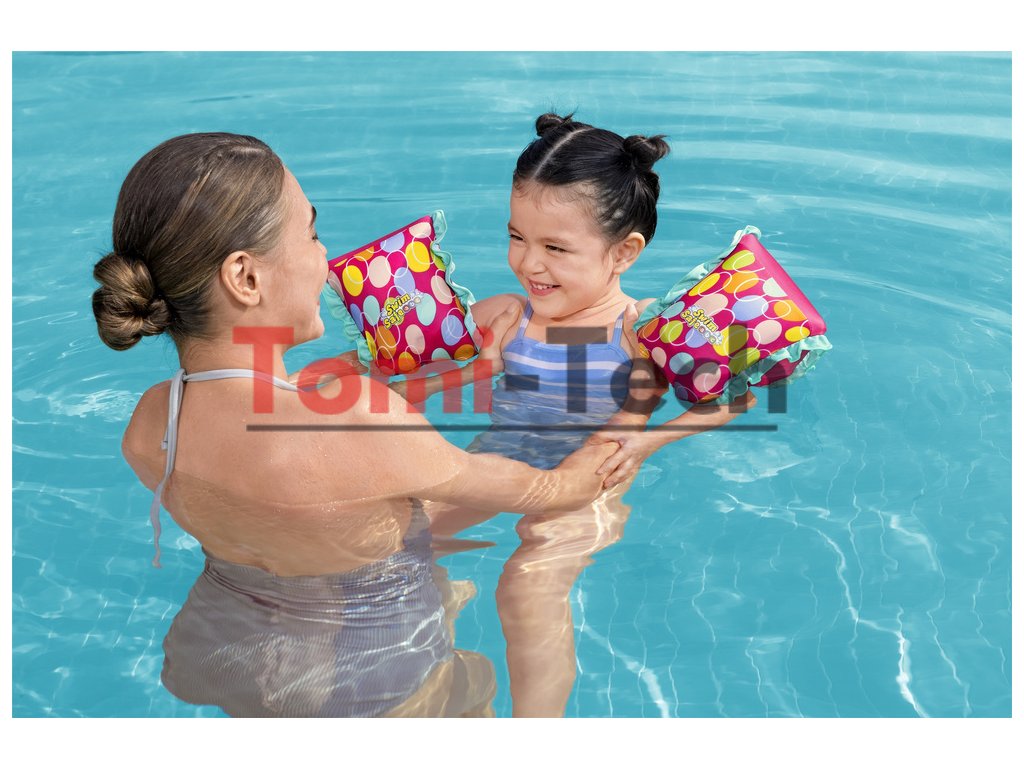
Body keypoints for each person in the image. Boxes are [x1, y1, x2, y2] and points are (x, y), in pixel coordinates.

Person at [90, 131, 618, 717]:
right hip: (377, 682)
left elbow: (283, 428)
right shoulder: (362, 419)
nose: (325, 259)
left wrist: (402, 371)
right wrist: (606, 446)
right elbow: (537, 489)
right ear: (245, 278)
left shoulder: (151, 425)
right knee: (476, 681)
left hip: (226, 653)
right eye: (311, 234)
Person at [404, 113, 756, 716]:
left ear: (623, 253)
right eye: (517, 237)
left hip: (589, 482)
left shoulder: (642, 328)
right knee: (403, 545)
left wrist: (648, 442)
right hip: (498, 461)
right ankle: (440, 675)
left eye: (555, 248)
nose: (529, 264)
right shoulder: (506, 315)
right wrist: (477, 367)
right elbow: (405, 382)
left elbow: (736, 395)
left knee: (527, 586)